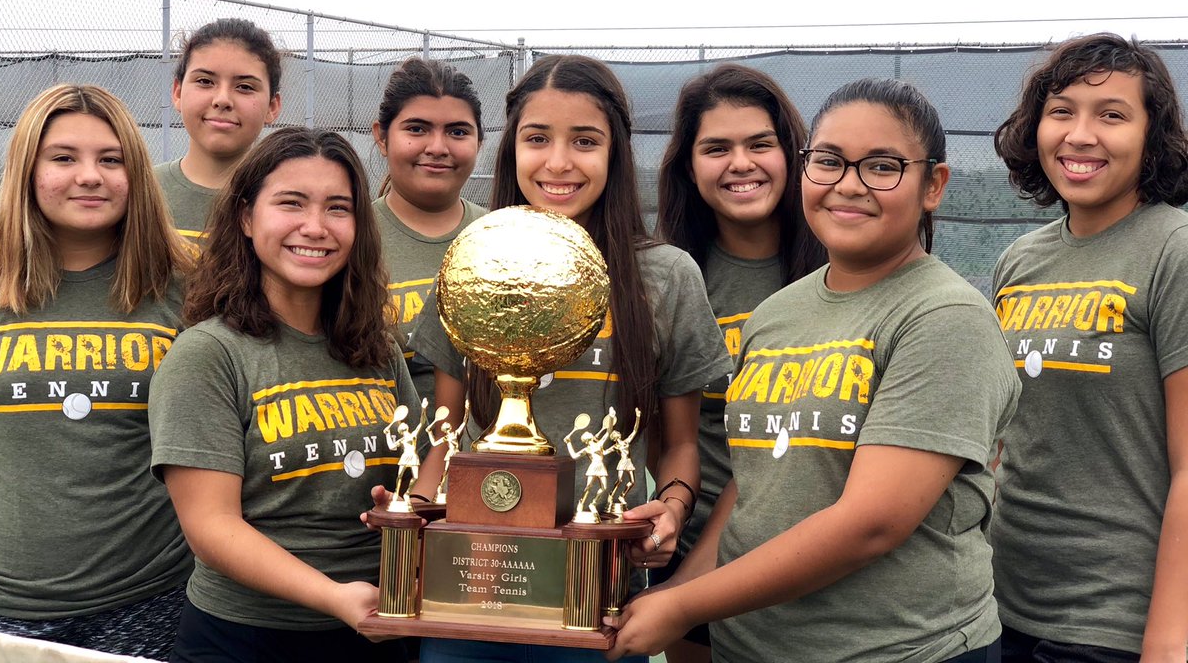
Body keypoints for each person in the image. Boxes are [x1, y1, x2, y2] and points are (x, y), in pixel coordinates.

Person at [608, 78, 1021, 663]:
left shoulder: (945, 317)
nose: (848, 185)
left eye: (882, 166)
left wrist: (683, 608)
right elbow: (748, 489)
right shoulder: (778, 313)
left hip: (895, 649)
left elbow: (871, 524)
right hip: (749, 645)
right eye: (828, 162)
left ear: (934, 185)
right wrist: (678, 593)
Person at [408, 54, 731, 663]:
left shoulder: (664, 277)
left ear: (615, 152)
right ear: (512, 150)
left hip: (603, 599)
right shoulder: (470, 259)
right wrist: (415, 520)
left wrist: (672, 510)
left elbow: (681, 442)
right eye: (537, 139)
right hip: (474, 591)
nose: (558, 162)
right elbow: (446, 430)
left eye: (585, 141)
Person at [148, 127, 417, 663]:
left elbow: (420, 461)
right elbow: (210, 527)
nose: (315, 227)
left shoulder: (376, 349)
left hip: (377, 629)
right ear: (247, 219)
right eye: (291, 203)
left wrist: (409, 511)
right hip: (245, 639)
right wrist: (334, 598)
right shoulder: (208, 354)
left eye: (338, 208)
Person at [991, 33, 1188, 662]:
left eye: (1111, 115)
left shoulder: (1173, 250)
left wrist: (1167, 639)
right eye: (1061, 111)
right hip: (998, 604)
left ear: (1152, 136)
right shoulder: (1019, 261)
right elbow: (1006, 439)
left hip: (1115, 622)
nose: (1080, 135)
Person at [0, 84, 194, 659]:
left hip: (148, 600)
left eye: (111, 159)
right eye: (63, 158)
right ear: (27, 169)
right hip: (0, 607)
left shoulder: (187, 289)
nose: (89, 176)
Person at [653, 63, 826, 662]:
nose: (741, 164)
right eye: (716, 148)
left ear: (794, 155)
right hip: (692, 556)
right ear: (688, 165)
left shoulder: (845, 265)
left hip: (814, 562)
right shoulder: (668, 277)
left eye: (760, 144)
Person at [371, 58, 487, 415]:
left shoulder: (502, 236)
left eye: (457, 132)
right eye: (417, 129)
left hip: (487, 461)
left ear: (480, 142)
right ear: (381, 137)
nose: (438, 147)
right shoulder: (346, 237)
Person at [156, 17, 283, 244]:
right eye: (205, 81)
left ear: (272, 107)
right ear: (177, 93)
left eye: (244, 87)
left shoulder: (291, 199)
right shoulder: (138, 189)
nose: (222, 100)